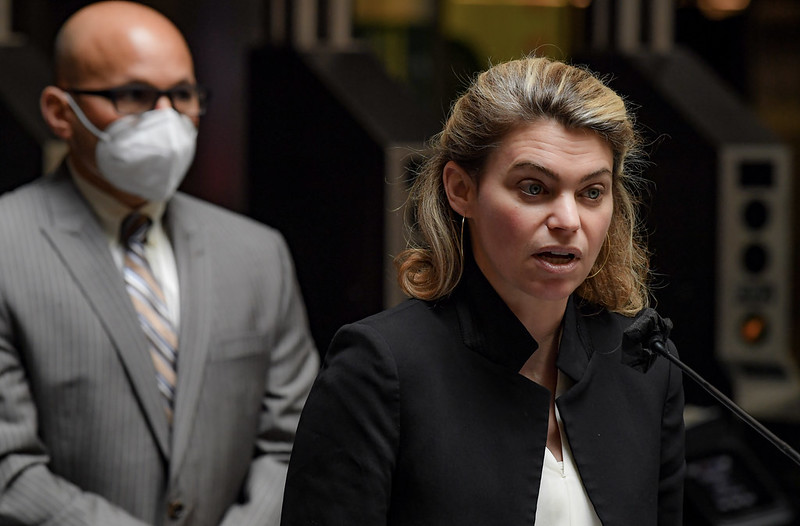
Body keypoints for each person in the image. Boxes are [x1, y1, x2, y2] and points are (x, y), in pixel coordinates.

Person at [281, 56, 685, 525]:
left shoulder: (644, 365)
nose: (568, 221)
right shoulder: (380, 367)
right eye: (533, 188)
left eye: (592, 192)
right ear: (461, 189)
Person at [0, 2, 319, 525]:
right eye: (134, 96)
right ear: (61, 112)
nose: (167, 119)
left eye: (184, 95)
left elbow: (295, 441)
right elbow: (8, 469)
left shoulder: (257, 254)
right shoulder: (7, 247)